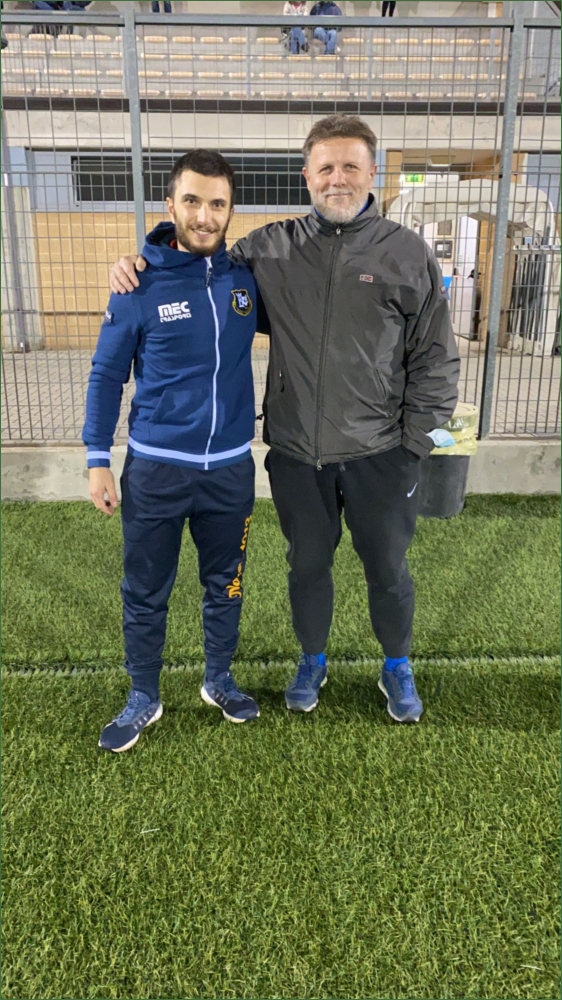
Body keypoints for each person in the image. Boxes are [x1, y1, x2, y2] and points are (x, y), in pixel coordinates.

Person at [109, 115, 460, 725]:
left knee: (388, 569)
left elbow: (436, 357)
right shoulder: (269, 250)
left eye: (350, 166)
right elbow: (198, 263)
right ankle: (312, 660)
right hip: (298, 455)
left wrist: (414, 445)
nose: (338, 178)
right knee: (307, 568)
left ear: (373, 173)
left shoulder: (407, 253)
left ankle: (397, 665)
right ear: (307, 175)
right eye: (325, 167)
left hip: (382, 452)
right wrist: (140, 263)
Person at [85, 150, 263, 752]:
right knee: (145, 590)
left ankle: (219, 680)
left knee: (227, 583)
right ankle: (144, 695)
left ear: (230, 211)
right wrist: (97, 458)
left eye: (217, 203)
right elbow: (106, 374)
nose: (204, 216)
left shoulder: (245, 282)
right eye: (192, 201)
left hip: (230, 470)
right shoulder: (138, 284)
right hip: (157, 470)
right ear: (170, 205)